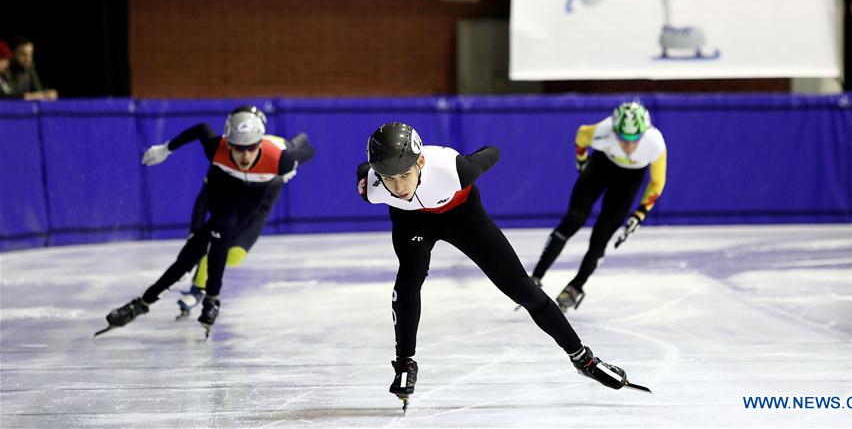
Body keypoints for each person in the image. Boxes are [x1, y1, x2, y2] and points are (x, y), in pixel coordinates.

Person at [357, 122, 638, 409]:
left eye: (405, 174)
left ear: (421, 162)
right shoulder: (371, 186)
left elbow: (492, 151)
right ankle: (405, 363)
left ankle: (583, 359)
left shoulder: (455, 169)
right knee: (408, 280)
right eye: (389, 178)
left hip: (461, 216)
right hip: (411, 222)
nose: (399, 187)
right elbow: (364, 171)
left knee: (522, 289)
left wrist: (472, 156)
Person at [97, 106, 314, 337]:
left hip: (258, 196)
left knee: (228, 245)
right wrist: (166, 148)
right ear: (228, 144)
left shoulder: (280, 159)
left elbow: (308, 151)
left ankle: (208, 297)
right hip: (228, 195)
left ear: (260, 144)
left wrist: (292, 166)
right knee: (191, 254)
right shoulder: (216, 149)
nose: (245, 156)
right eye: (238, 148)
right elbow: (201, 129)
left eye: (251, 148)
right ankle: (145, 303)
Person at [529, 101, 667, 312]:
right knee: (573, 220)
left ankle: (576, 287)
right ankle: (536, 276)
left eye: (634, 139)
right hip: (601, 165)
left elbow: (657, 182)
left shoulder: (655, 143)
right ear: (615, 130)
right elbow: (581, 135)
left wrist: (640, 213)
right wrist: (582, 161)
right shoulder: (604, 130)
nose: (629, 146)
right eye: (623, 139)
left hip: (629, 180)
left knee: (601, 236)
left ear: (644, 133)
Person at [6, 35, 58, 101]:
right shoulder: (4, 69)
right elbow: (7, 96)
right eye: (23, 54)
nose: (28, 59)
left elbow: (38, 90)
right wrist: (27, 96)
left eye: (30, 54)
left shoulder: (29, 67)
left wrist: (46, 94)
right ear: (12, 53)